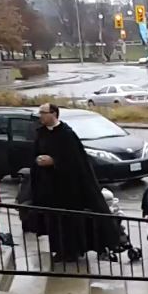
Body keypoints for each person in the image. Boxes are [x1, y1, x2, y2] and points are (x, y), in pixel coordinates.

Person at [31, 103, 118, 262]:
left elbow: (76, 161)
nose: (40, 116)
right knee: (54, 222)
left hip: (68, 189)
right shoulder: (40, 133)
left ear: (54, 114)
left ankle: (73, 251)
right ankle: (59, 250)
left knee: (69, 222)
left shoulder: (67, 134)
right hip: (49, 188)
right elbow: (35, 152)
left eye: (43, 113)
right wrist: (38, 160)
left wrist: (54, 162)